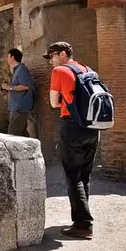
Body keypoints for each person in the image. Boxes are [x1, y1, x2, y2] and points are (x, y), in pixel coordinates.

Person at [45, 41, 99, 240]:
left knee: (73, 176)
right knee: (84, 175)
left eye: (51, 56)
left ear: (61, 54)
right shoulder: (88, 69)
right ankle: (81, 219)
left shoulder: (60, 71)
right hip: (93, 127)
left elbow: (53, 102)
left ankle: (83, 224)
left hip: (72, 126)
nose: (50, 61)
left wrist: (66, 101)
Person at [2, 48, 34, 136]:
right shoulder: (17, 70)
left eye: (8, 57)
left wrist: (10, 88)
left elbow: (25, 86)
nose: (7, 59)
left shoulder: (21, 69)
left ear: (12, 57)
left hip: (19, 107)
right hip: (17, 107)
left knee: (13, 134)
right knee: (21, 134)